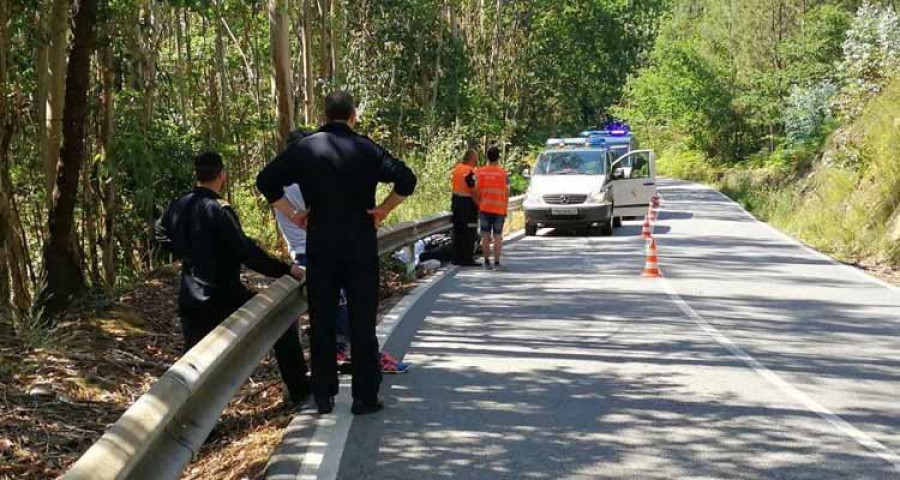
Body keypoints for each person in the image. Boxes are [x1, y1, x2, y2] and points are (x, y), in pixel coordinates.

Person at [256, 91, 416, 416]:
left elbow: (266, 180)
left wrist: (293, 214)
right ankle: (364, 397)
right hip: (359, 245)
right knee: (362, 320)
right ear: (353, 115)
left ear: (324, 115)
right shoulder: (367, 148)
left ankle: (324, 396)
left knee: (322, 318)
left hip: (321, 245)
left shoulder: (307, 148)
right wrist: (383, 209)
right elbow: (407, 179)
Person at [155, 151, 310, 405]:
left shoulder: (178, 204)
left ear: (198, 174)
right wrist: (285, 270)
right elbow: (246, 252)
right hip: (225, 295)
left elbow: (159, 234)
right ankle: (300, 390)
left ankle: (189, 418)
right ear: (222, 176)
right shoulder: (218, 209)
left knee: (193, 363)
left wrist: (185, 251)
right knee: (280, 322)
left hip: (191, 296)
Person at [274, 129, 408, 375]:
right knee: (350, 309)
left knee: (331, 310)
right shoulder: (301, 182)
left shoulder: (282, 183)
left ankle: (339, 354)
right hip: (316, 251)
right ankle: (368, 357)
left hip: (303, 251)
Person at [475, 146, 509, 271]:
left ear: (487, 157)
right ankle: (497, 262)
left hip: (484, 208)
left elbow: (476, 190)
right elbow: (507, 191)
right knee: (497, 236)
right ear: (498, 157)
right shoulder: (503, 173)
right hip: (499, 209)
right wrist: (505, 207)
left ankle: (486, 262)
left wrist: (478, 203)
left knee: (485, 236)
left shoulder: (480, 172)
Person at [450, 150, 480, 266]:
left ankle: (456, 258)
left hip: (456, 201)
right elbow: (472, 188)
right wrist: (478, 203)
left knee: (458, 230)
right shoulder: (469, 171)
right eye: (476, 157)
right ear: (472, 158)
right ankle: (467, 258)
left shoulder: (457, 168)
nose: (477, 159)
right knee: (469, 231)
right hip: (467, 204)